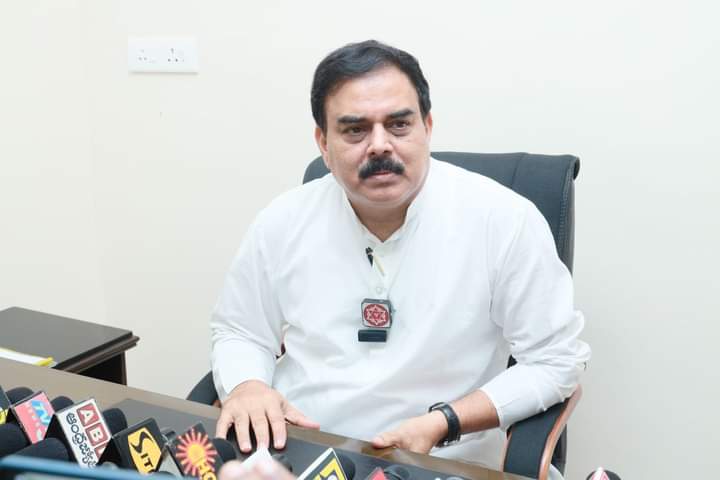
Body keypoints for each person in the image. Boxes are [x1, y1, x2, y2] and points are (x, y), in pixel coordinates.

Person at [210, 39, 590, 471]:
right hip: (303, 451)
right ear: (323, 142)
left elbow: (556, 360)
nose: (379, 145)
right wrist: (247, 385)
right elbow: (240, 330)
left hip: (443, 458)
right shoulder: (282, 220)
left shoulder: (503, 220)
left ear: (427, 126)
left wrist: (445, 422)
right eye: (355, 130)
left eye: (399, 125)